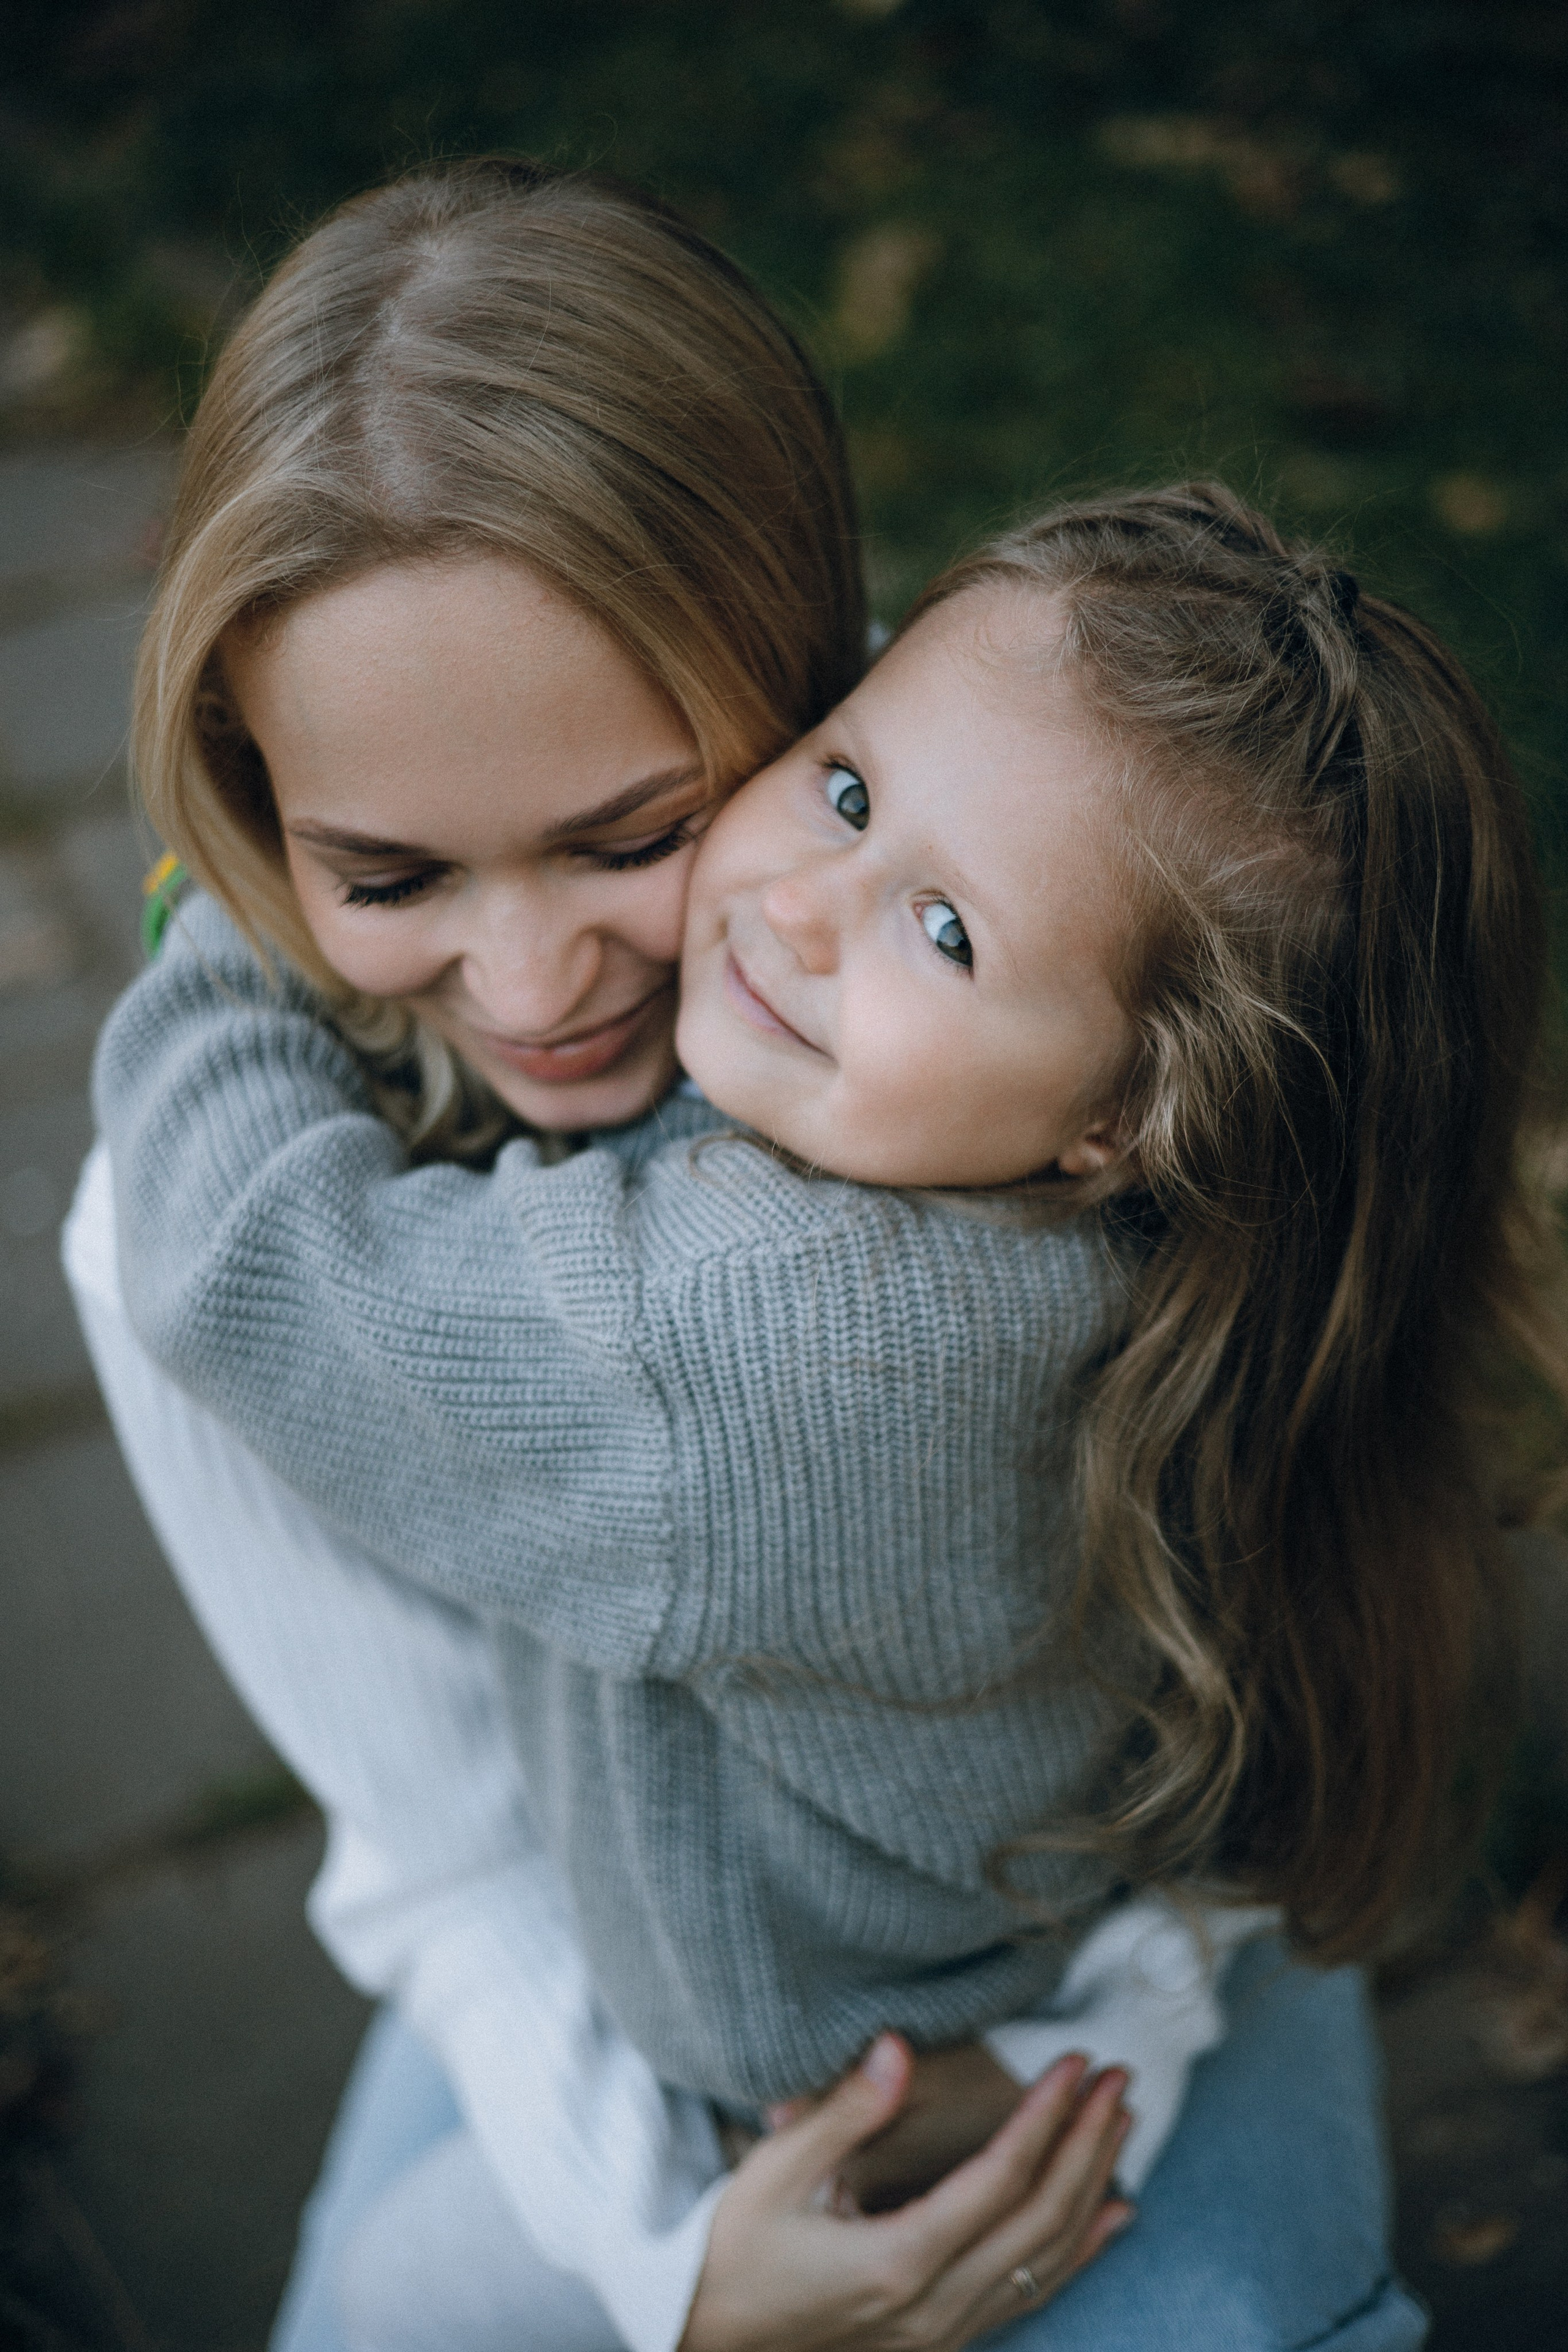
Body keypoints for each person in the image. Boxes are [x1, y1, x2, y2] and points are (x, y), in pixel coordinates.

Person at [89, 467, 1537, 2352]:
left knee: (382, 2306)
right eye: (843, 784)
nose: (799, 907)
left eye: (945, 934)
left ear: (1127, 1117)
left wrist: (248, 891)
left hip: (783, 2106)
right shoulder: (1142, 1210)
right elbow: (999, 782)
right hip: (1024, 1919)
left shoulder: (785, 1350)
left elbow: (258, 1270)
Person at [66, 156, 1240, 2352]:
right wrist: (665, 2258)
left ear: (817, 694)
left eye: (635, 833)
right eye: (386, 874)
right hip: (586, 1936)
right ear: (248, 801)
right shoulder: (158, 1229)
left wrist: (1134, 2043)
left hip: (976, 1994)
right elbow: (441, 1851)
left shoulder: (1002, 980)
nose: (530, 988)